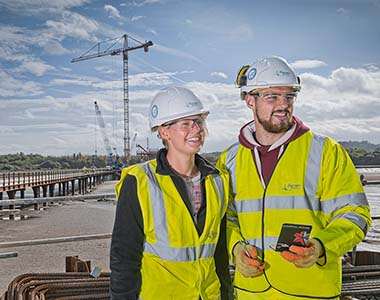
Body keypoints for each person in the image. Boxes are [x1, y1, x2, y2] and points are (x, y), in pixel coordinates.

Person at [217, 56, 372, 299]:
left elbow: (355, 214)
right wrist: (235, 249)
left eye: (289, 97)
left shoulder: (325, 151)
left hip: (311, 290)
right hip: (251, 292)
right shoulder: (229, 160)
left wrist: (321, 247)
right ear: (250, 100)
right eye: (272, 97)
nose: (283, 105)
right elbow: (225, 220)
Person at [110, 86, 233, 300]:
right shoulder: (139, 181)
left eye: (199, 122)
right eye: (185, 123)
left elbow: (219, 253)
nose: (196, 129)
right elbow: (124, 258)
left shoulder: (218, 181)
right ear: (164, 132)